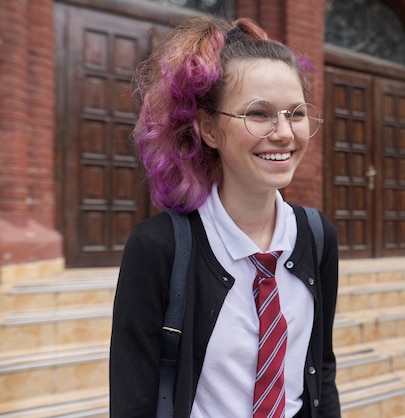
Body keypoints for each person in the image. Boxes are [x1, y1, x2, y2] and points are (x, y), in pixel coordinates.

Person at [109, 15, 341, 418]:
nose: (284, 133)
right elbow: (134, 401)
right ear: (209, 130)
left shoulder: (318, 237)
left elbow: (320, 371)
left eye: (296, 113)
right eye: (259, 113)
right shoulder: (158, 249)